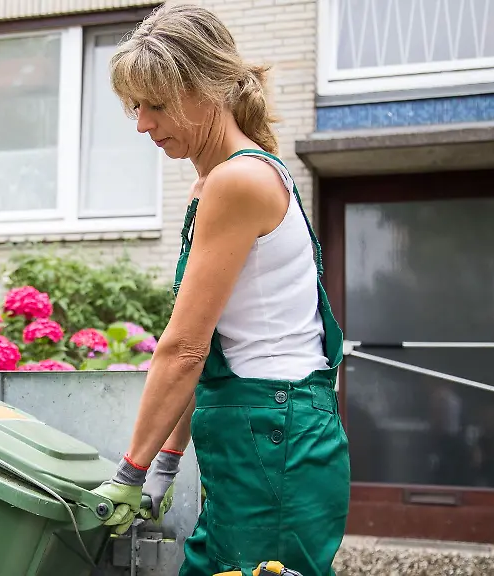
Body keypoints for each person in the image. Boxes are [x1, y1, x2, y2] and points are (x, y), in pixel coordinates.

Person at [89, 4, 351, 576]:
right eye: (136, 106)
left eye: (155, 105)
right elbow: (208, 349)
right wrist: (166, 461)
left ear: (206, 90)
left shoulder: (238, 181)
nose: (141, 124)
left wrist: (129, 472)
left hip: (273, 435)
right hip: (257, 431)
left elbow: (181, 348)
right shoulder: (221, 181)